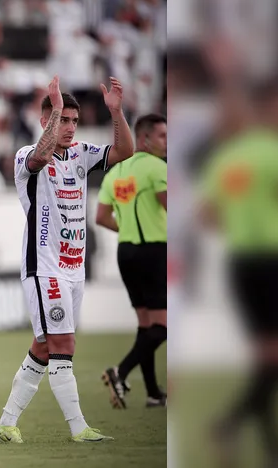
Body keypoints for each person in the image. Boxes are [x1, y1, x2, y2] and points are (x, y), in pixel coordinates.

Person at [0, 75, 135, 444]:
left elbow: (124, 153)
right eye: (62, 119)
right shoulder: (26, 155)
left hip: (74, 267)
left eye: (74, 120)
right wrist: (55, 108)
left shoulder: (82, 153)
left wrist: (116, 112)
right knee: (64, 345)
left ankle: (6, 423)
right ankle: (78, 428)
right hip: (44, 267)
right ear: (46, 120)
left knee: (44, 346)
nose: (70, 128)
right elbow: (41, 157)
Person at [201, 78, 278, 468]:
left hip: (242, 264)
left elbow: (209, 216)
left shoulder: (227, 157)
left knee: (268, 359)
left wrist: (244, 220)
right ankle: (231, 423)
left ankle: (273, 449)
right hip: (277, 260)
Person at [96, 113, 168, 409]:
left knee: (145, 324)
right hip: (154, 251)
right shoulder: (156, 168)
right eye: (163, 136)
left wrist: (125, 229)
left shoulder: (115, 172)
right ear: (145, 138)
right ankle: (120, 372)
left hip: (126, 253)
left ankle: (152, 393)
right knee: (164, 325)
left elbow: (101, 218)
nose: (167, 142)